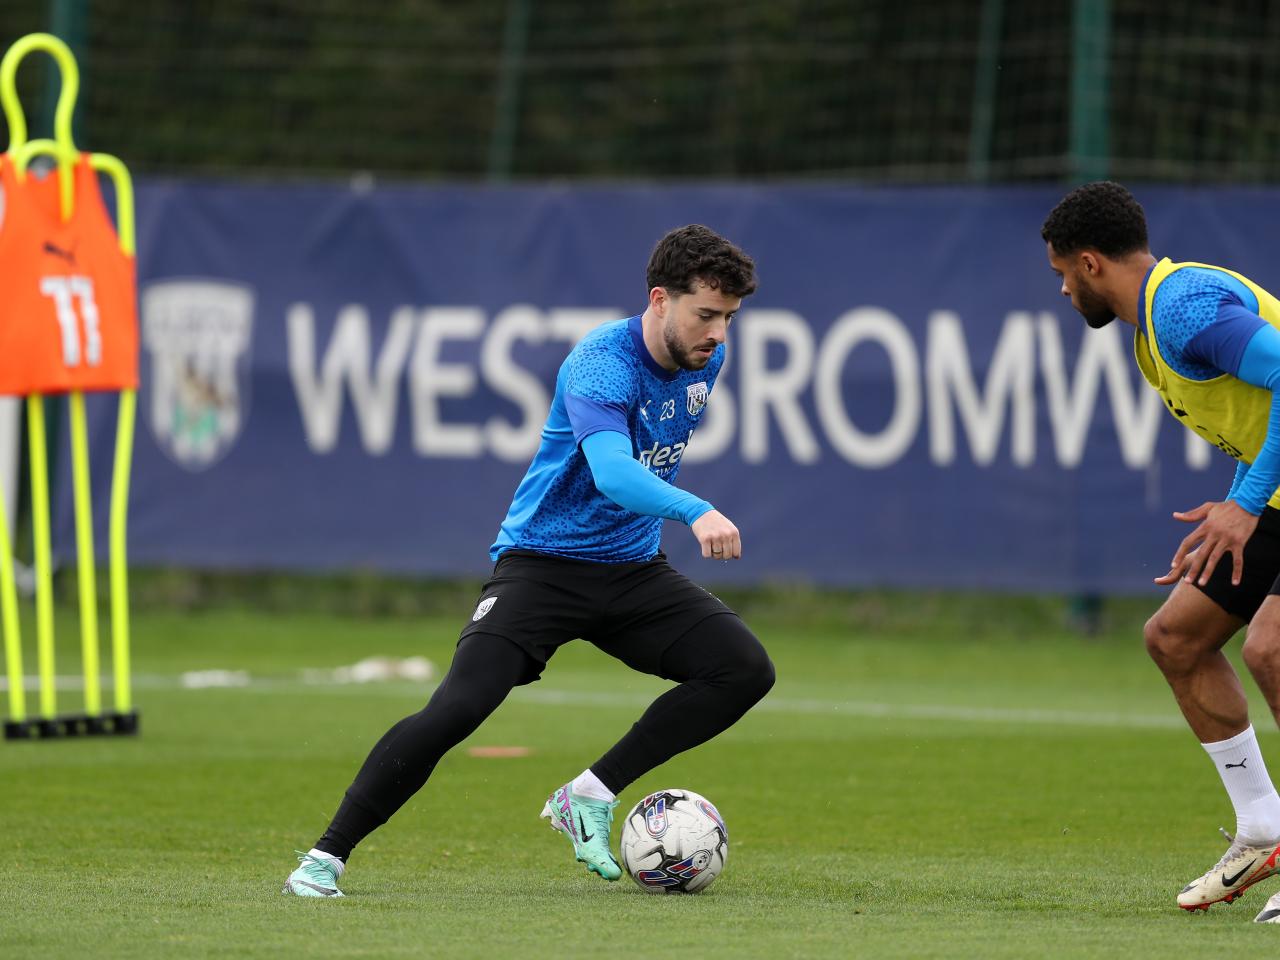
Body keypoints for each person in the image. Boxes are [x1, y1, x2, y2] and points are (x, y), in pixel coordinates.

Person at [283, 223, 775, 897]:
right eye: (707, 315)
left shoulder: (703, 360)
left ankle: (590, 794)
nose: (719, 334)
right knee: (458, 707)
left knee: (743, 669)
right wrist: (696, 510)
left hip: (631, 569)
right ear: (660, 300)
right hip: (543, 565)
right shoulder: (602, 361)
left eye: (729, 319)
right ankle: (323, 860)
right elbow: (610, 472)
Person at [1042, 181, 1280, 923]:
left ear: (1089, 263)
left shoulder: (1180, 308)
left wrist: (1245, 505)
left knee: (1271, 648)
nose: (1061, 291)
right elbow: (1259, 408)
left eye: (1060, 275)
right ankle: (1265, 828)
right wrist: (1239, 492)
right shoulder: (1151, 328)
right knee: (1176, 639)